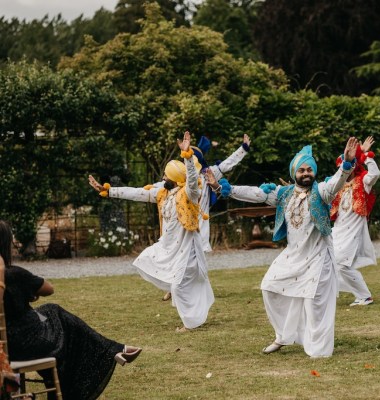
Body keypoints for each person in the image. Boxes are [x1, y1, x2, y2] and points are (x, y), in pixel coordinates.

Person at [208, 138, 359, 357]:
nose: (306, 173)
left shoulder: (323, 191)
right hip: (293, 255)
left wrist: (346, 164)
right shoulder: (284, 193)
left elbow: (336, 182)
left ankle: (318, 349)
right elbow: (255, 194)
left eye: (309, 169)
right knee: (269, 287)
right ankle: (284, 335)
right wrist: (225, 189)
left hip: (319, 257)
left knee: (314, 305)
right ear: (294, 173)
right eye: (301, 170)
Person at [0, 220, 141, 400]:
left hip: (7, 346)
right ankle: (112, 349)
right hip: (27, 344)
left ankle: (114, 349)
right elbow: (49, 289)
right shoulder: (14, 274)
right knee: (56, 315)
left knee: (52, 316)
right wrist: (28, 292)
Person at [89, 131, 214, 332]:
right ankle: (191, 314)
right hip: (167, 246)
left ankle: (190, 322)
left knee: (179, 286)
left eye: (165, 175)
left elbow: (191, 179)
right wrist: (109, 191)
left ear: (173, 177)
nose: (162, 177)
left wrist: (188, 156)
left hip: (187, 248)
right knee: (145, 258)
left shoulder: (189, 193)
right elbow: (138, 192)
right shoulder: (162, 192)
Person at [154, 134, 251, 302]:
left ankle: (197, 289)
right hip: (180, 224)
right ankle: (173, 287)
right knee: (177, 256)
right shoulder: (179, 177)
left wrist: (243, 149)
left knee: (196, 261)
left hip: (199, 224)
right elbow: (159, 188)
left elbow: (228, 163)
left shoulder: (208, 174)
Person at [330, 136, 379, 306]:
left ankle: (365, 296)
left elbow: (375, 174)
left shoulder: (363, 181)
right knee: (328, 262)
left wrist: (366, 155)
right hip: (337, 231)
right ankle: (329, 293)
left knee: (342, 265)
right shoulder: (338, 185)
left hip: (353, 232)